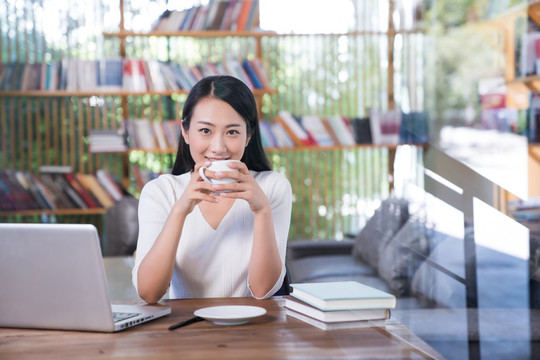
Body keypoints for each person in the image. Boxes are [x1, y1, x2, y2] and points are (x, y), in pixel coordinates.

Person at [132, 75, 292, 304]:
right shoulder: (160, 192)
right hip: (186, 330)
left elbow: (263, 291)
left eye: (232, 132)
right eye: (205, 131)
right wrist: (180, 210)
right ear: (186, 132)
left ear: (249, 136)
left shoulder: (272, 187)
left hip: (253, 331)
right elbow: (149, 293)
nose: (218, 147)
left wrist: (262, 210)